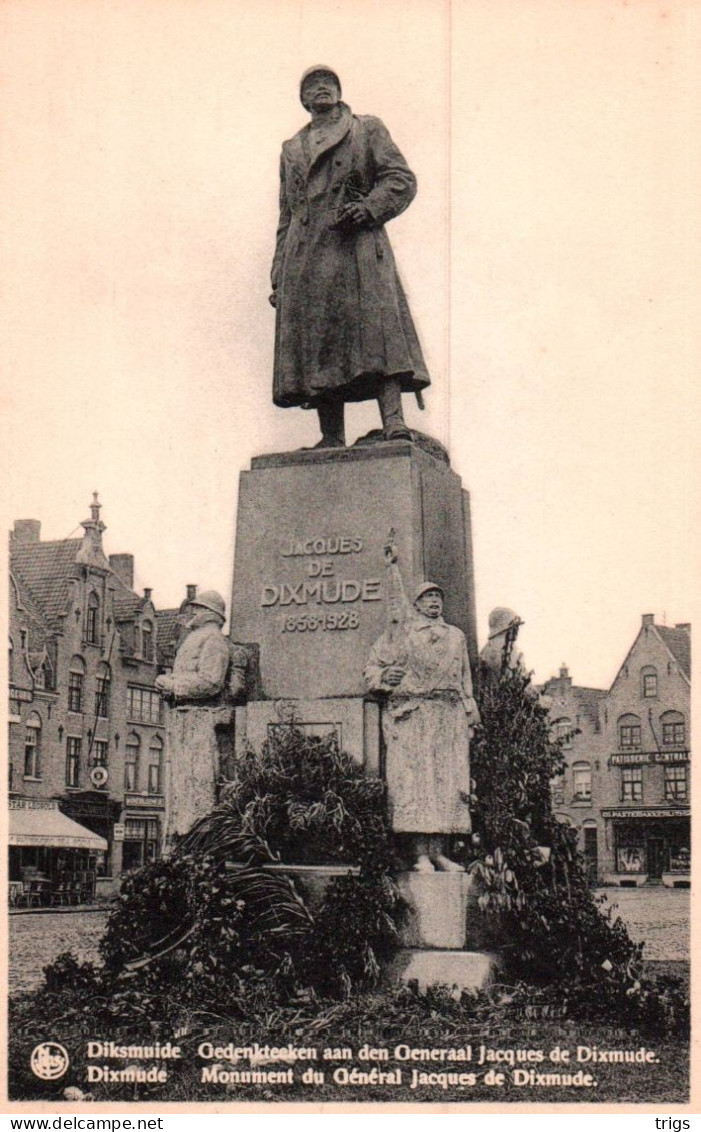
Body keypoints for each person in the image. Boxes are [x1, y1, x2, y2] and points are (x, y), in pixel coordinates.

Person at [270, 66, 430, 448]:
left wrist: (370, 207)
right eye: (311, 84)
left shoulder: (366, 129)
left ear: (340, 92)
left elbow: (401, 179)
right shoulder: (291, 150)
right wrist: (278, 270)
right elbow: (286, 213)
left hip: (355, 246)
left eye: (328, 82)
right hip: (306, 256)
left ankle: (394, 422)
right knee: (319, 341)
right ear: (304, 100)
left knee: (377, 333)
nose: (321, 87)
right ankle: (331, 436)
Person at [364, 539, 479, 871]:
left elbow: (464, 678)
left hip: (448, 717)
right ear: (416, 604)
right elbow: (392, 609)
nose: (434, 603)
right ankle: (418, 854)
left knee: (446, 784)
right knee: (418, 782)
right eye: (427, 598)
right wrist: (392, 567)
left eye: (438, 598)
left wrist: (470, 711)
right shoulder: (404, 636)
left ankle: (440, 851)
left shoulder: (456, 636)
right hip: (415, 717)